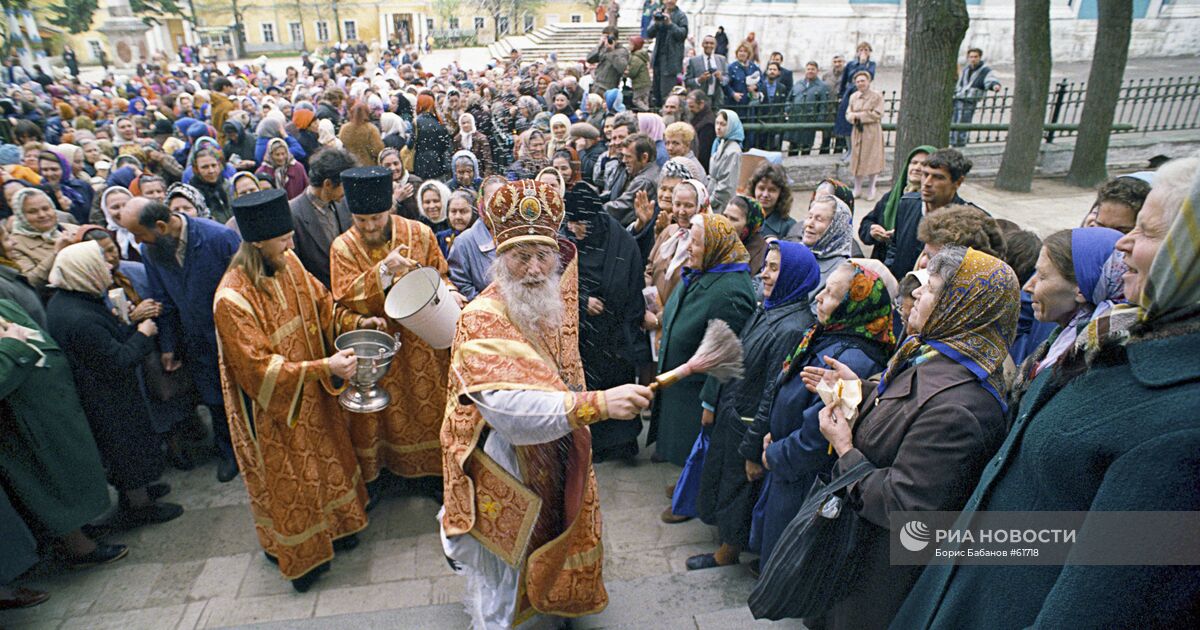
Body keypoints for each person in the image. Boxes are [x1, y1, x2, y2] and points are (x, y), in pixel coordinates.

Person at [894, 157, 1200, 630]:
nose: (1123, 243)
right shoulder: (1112, 341)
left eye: (1148, 231)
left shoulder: (1182, 424)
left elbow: (1101, 604)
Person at [439, 179, 654, 628]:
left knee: (552, 535)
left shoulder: (546, 305)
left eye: (544, 256)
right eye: (522, 257)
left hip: (552, 451)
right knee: (507, 567)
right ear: (500, 261)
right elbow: (509, 412)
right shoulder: (481, 317)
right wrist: (597, 405)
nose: (536, 269)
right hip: (505, 464)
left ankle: (551, 604)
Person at [805, 246, 1018, 629]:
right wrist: (864, 391)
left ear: (962, 306)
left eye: (931, 287)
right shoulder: (933, 352)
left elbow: (905, 508)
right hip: (860, 552)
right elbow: (908, 404)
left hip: (880, 574)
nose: (916, 292)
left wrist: (845, 448)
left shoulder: (960, 408)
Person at [215, 189, 380, 593]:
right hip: (275, 409)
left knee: (328, 462)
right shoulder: (231, 298)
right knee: (293, 481)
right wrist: (324, 366)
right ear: (257, 243)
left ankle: (340, 528)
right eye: (283, 240)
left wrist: (356, 325)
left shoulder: (287, 263)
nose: (292, 246)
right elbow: (257, 368)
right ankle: (301, 558)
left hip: (314, 396)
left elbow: (323, 305)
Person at [743, 259, 896, 565]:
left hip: (802, 480)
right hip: (789, 467)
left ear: (854, 306)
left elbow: (815, 440)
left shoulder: (852, 359)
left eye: (831, 294)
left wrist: (773, 454)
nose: (818, 298)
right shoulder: (830, 335)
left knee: (786, 561)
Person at [689, 240, 821, 570]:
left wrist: (752, 448)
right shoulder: (771, 308)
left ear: (794, 275)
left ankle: (729, 551)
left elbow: (772, 391)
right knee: (726, 482)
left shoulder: (792, 326)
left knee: (738, 489)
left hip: (748, 421)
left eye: (774, 268)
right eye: (766, 266)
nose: (764, 274)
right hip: (736, 411)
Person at [330, 166, 461, 491]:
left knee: (430, 410)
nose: (370, 226)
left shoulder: (420, 233)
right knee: (379, 419)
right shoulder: (342, 248)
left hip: (424, 347)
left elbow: (439, 274)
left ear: (389, 207)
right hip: (378, 349)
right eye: (362, 221)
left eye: (377, 217)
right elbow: (342, 298)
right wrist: (383, 273)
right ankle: (385, 478)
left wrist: (450, 291)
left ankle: (435, 476)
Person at [45, 241, 183, 527]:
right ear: (85, 270)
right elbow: (118, 359)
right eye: (100, 262)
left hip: (106, 393)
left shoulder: (73, 300)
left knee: (131, 448)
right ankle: (139, 505)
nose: (110, 265)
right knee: (127, 450)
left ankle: (139, 491)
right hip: (107, 400)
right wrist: (143, 333)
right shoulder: (78, 317)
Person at [117, 197, 243, 482]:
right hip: (195, 341)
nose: (138, 241)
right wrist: (169, 347)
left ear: (160, 226)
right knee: (214, 399)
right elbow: (164, 300)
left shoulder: (218, 238)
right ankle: (229, 452)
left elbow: (247, 288)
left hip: (234, 336)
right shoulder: (151, 252)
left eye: (140, 234)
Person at [0, 298, 129, 569]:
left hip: (46, 407)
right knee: (50, 484)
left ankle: (80, 530)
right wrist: (14, 345)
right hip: (24, 420)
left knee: (70, 474)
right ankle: (78, 548)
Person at [651, 213, 756, 472]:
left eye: (696, 243)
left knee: (695, 450)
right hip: (681, 385)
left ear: (715, 246)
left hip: (696, 392)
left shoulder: (731, 291)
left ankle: (688, 499)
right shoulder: (704, 271)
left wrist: (710, 402)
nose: (689, 248)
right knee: (679, 444)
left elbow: (726, 355)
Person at [565, 183, 646, 462]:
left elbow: (633, 284)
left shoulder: (620, 241)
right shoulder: (568, 244)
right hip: (585, 338)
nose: (574, 229)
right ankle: (593, 445)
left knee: (618, 388)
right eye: (571, 222)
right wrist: (582, 301)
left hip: (616, 334)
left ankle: (622, 444)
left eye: (580, 223)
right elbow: (558, 284)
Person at [1008, 227, 1124, 409]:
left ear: (1081, 288)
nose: (1027, 287)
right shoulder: (1062, 337)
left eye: (1042, 276)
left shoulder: (1088, 363)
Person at [885, 148, 977, 279]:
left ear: (958, 182)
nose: (927, 183)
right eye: (925, 174)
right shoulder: (907, 203)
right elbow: (895, 247)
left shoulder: (970, 220)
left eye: (938, 177)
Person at [289, 147, 355, 288]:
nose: (348, 190)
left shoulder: (343, 202)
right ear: (328, 184)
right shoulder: (293, 214)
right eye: (344, 185)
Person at [859, 145, 935, 262]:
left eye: (924, 164)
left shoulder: (933, 203)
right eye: (913, 162)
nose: (917, 168)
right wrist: (872, 230)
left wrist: (901, 235)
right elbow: (867, 223)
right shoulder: (892, 197)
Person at [447, 175, 507, 301]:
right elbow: (461, 283)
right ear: (481, 202)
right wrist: (487, 306)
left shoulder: (521, 234)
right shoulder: (464, 242)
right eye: (491, 198)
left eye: (503, 197)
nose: (497, 203)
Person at [8, 188, 78, 293]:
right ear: (21, 216)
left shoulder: (71, 229)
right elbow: (30, 282)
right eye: (32, 212)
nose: (42, 215)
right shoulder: (15, 244)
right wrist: (56, 253)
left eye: (46, 209)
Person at [604, 133, 660, 227]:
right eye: (623, 156)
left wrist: (593, 209)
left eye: (628, 156)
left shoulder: (644, 181)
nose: (624, 160)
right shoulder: (644, 171)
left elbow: (620, 208)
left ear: (644, 157)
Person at [950, 48, 1001, 147]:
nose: (973, 59)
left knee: (963, 122)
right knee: (954, 121)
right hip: (958, 97)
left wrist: (994, 85)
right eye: (971, 57)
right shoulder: (966, 69)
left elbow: (990, 79)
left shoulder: (985, 70)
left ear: (980, 57)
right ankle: (953, 142)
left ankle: (960, 143)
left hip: (970, 100)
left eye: (975, 57)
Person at [846, 71, 885, 200]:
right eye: (858, 82)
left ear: (868, 82)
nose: (860, 84)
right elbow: (848, 112)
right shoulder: (853, 97)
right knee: (857, 159)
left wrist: (860, 116)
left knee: (872, 158)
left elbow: (877, 114)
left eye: (863, 81)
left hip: (871, 131)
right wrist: (852, 117)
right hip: (857, 131)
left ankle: (871, 187)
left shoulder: (876, 96)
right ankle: (857, 188)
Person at [834, 42, 875, 160]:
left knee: (857, 124)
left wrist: (862, 63)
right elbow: (845, 79)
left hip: (862, 94)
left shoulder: (871, 64)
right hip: (849, 94)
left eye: (866, 50)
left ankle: (855, 152)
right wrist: (841, 94)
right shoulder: (851, 64)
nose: (863, 52)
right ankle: (849, 149)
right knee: (846, 122)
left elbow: (866, 76)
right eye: (861, 49)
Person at [646, 0, 689, 108]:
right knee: (655, 93)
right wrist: (656, 23)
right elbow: (649, 33)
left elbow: (682, 35)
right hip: (658, 60)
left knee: (667, 94)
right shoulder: (658, 13)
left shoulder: (681, 16)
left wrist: (670, 24)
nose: (670, 1)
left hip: (671, 61)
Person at [787, 61, 831, 156]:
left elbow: (824, 105)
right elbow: (789, 99)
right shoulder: (798, 83)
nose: (810, 71)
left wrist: (819, 120)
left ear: (817, 71)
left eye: (812, 69)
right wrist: (788, 109)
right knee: (793, 145)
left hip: (809, 119)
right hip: (795, 118)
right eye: (808, 69)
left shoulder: (822, 86)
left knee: (806, 146)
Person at [721, 194, 768, 277]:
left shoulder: (762, 256)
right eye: (724, 216)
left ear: (749, 225)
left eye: (733, 219)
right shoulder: (717, 244)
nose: (725, 223)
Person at [708, 109, 743, 213]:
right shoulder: (721, 144)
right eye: (717, 123)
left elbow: (726, 186)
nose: (718, 128)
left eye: (723, 124)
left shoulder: (733, 151)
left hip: (720, 205)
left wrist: (711, 201)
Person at [413, 94, 453, 181]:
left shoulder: (417, 122)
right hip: (438, 162)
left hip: (421, 163)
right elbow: (446, 144)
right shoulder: (438, 121)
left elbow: (410, 144)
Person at [378, 147, 423, 221]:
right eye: (387, 165)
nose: (393, 168)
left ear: (401, 163)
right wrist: (395, 199)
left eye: (396, 163)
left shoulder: (415, 182)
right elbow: (379, 218)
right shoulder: (378, 186)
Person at [685, 35, 728, 111]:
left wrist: (721, 78)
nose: (709, 45)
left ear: (715, 45)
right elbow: (687, 81)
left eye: (711, 43)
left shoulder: (722, 59)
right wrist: (699, 80)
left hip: (717, 100)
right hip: (700, 100)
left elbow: (727, 78)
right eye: (706, 43)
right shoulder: (694, 61)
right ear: (702, 44)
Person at [189, 148, 233, 223]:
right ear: (196, 169)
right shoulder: (192, 195)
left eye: (214, 165)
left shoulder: (228, 185)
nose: (211, 171)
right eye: (205, 167)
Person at [339, 102, 385, 167]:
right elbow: (378, 150)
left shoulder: (344, 128)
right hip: (368, 165)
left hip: (350, 165)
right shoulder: (371, 129)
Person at [587, 29, 630, 96]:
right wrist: (599, 45)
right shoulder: (603, 49)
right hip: (597, 84)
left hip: (609, 86)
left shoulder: (622, 51)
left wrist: (611, 51)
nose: (607, 39)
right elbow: (590, 59)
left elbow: (622, 68)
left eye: (608, 37)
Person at [439, 189, 476, 256]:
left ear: (474, 213)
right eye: (453, 211)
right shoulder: (441, 238)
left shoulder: (484, 239)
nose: (458, 217)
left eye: (463, 211)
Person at [686, 91, 716, 172]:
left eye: (692, 106)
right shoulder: (696, 119)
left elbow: (703, 152)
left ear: (701, 104)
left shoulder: (707, 124)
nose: (689, 110)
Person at [627, 36, 652, 111]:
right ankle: (647, 115)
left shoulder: (636, 58)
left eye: (630, 44)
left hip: (640, 83)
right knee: (644, 100)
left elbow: (632, 72)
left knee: (636, 100)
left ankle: (647, 110)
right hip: (645, 82)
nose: (629, 46)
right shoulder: (640, 56)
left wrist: (626, 72)